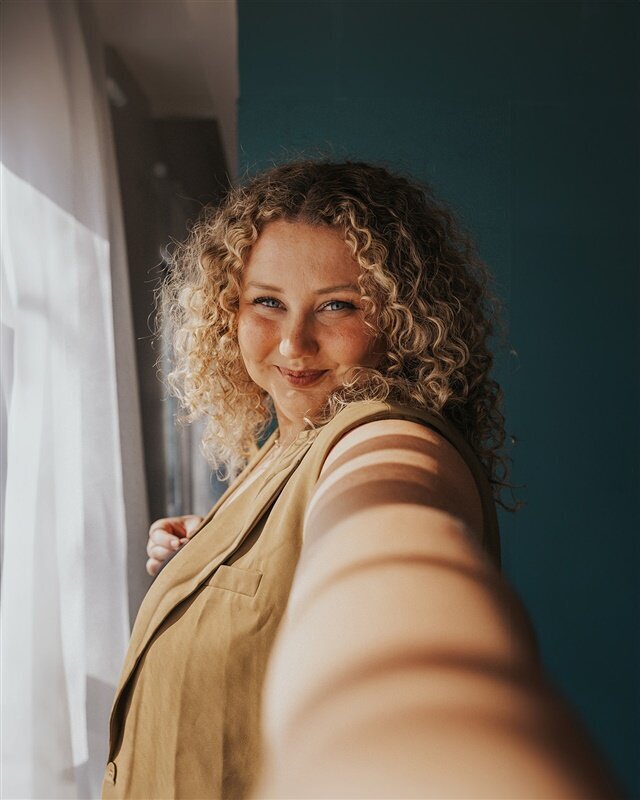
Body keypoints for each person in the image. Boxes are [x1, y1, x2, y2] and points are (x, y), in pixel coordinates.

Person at [103, 161, 619, 799]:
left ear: (400, 320)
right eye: (268, 301)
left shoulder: (383, 434)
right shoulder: (282, 446)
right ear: (227, 309)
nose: (294, 343)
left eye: (337, 306)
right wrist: (212, 554)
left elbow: (382, 527)